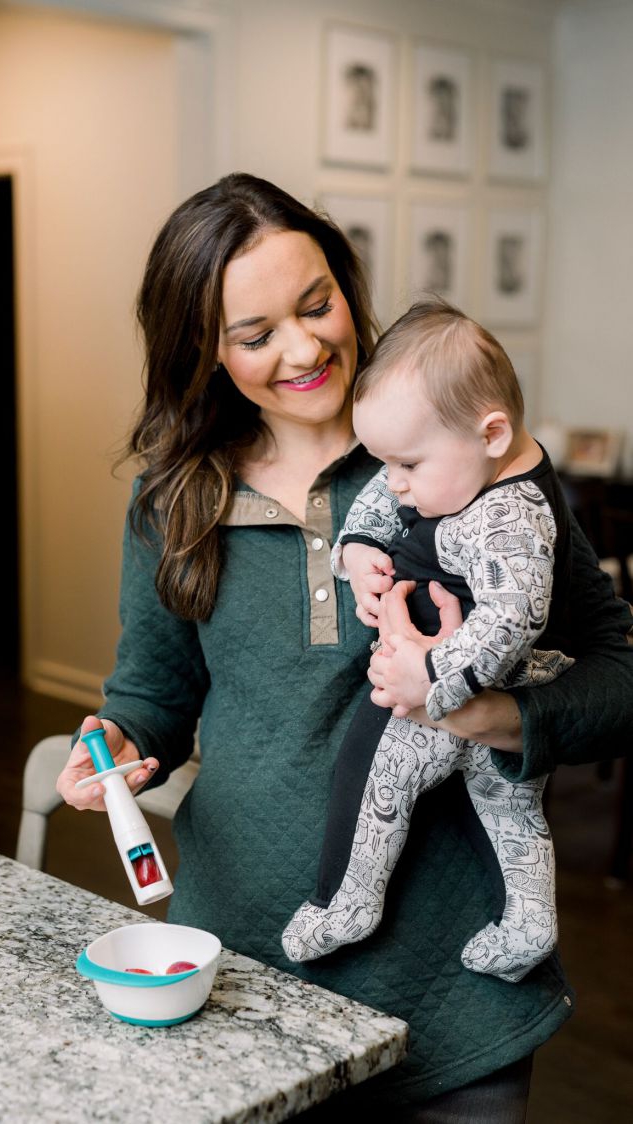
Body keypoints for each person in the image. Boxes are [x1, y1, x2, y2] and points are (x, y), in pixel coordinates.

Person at [55, 173, 633, 1118]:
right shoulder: (175, 500)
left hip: (454, 990)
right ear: (202, 353)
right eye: (256, 334)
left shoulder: (455, 453)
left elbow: (621, 674)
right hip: (239, 969)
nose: (306, 346)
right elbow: (154, 693)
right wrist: (122, 743)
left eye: (317, 302)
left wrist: (496, 713)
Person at [282, 299, 573, 983]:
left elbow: (516, 615)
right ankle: (530, 923)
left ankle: (348, 901)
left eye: (408, 463)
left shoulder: (515, 517)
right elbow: (384, 501)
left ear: (492, 433)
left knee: (376, 772)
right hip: (482, 689)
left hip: (465, 687)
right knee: (511, 809)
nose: (396, 483)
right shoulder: (453, 463)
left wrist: (429, 678)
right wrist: (355, 551)